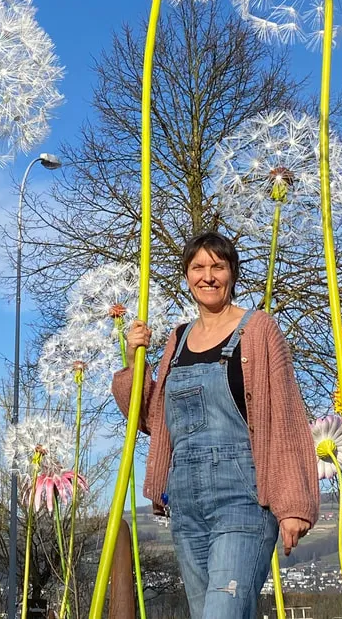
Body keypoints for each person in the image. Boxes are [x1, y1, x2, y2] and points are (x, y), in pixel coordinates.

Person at [112, 231, 319, 619]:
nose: (208, 276)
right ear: (187, 276)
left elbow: (285, 416)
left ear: (232, 273)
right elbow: (153, 417)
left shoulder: (259, 329)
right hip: (185, 504)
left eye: (218, 267)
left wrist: (293, 504)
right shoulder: (178, 338)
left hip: (243, 497)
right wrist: (132, 360)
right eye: (198, 267)